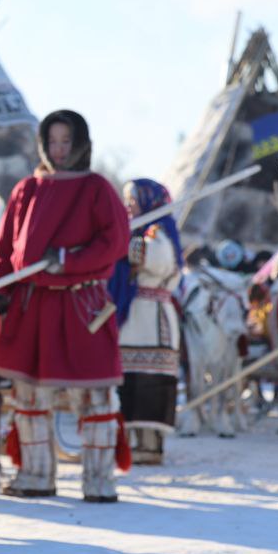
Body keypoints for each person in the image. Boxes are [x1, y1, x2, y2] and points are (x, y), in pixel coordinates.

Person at [0, 110, 129, 502]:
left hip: (83, 305)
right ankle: (35, 475)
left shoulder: (96, 188)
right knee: (30, 396)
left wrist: (67, 260)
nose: (59, 149)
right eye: (52, 141)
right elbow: (5, 247)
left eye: (66, 141)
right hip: (32, 303)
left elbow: (114, 242)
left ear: (80, 144)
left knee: (95, 397)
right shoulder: (27, 189)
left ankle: (99, 481)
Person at [107, 179, 182, 465]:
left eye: (133, 200)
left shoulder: (159, 232)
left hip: (152, 318)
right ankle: (127, 442)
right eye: (126, 200)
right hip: (131, 318)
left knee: (149, 380)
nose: (128, 206)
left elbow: (158, 259)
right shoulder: (135, 230)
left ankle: (150, 445)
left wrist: (119, 241)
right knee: (128, 379)